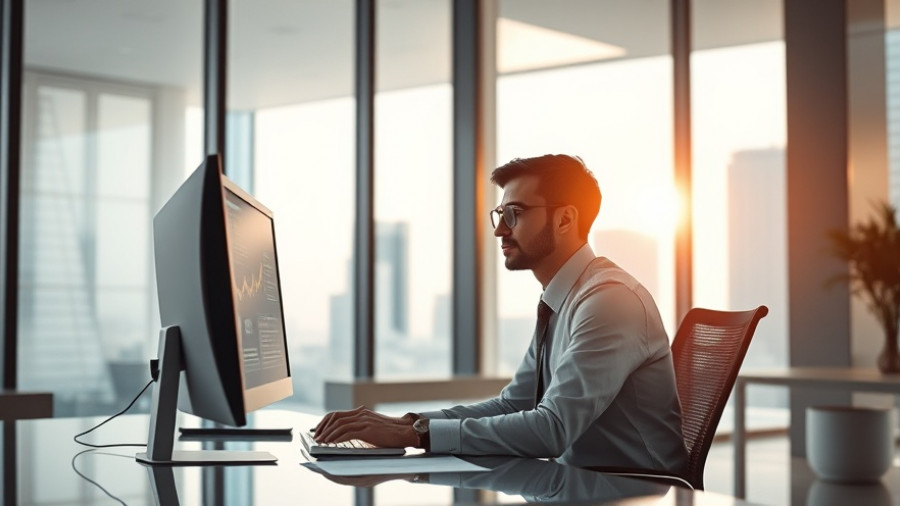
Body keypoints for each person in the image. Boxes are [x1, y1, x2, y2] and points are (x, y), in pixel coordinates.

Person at [314, 154, 687, 473]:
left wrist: (414, 435)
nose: (500, 230)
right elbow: (514, 404)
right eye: (500, 214)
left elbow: (553, 429)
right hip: (578, 486)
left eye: (515, 213)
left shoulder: (610, 301)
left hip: (640, 494)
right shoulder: (562, 300)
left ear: (564, 220)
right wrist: (408, 424)